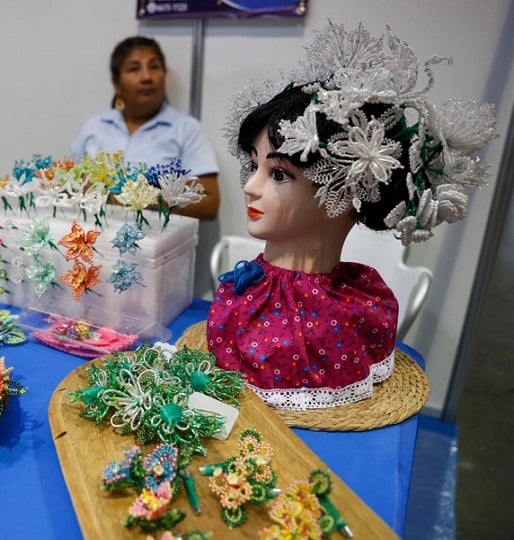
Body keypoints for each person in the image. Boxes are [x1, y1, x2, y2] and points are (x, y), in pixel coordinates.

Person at [206, 22, 496, 411]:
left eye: (278, 174)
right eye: (254, 165)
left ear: (343, 189)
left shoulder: (344, 323)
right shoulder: (242, 296)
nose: (250, 186)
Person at [70, 36, 220, 220]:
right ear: (116, 84)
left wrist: (149, 199)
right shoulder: (95, 126)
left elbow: (210, 204)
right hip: (94, 242)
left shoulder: (186, 129)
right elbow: (71, 185)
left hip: (158, 245)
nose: (147, 77)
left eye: (154, 67)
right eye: (134, 69)